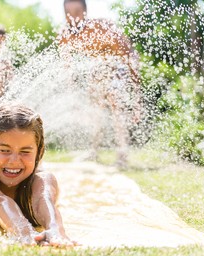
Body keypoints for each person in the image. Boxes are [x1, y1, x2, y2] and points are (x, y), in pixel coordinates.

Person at [0, 103, 75, 246]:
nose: (14, 161)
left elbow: (43, 200)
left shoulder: (43, 180)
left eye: (25, 152)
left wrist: (56, 232)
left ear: (39, 151)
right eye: (4, 150)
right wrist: (26, 234)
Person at [60, 0, 142, 167]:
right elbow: (67, 67)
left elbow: (128, 56)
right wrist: (71, 93)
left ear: (85, 12)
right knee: (95, 110)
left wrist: (136, 93)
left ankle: (122, 154)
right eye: (68, 13)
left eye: (77, 12)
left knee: (117, 108)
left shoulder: (100, 28)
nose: (72, 17)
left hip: (120, 64)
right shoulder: (65, 35)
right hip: (98, 67)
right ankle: (93, 151)